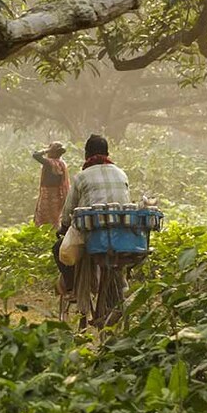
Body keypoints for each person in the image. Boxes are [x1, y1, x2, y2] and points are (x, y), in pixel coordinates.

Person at [54, 134, 131, 327]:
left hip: (93, 237)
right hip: (121, 237)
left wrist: (63, 228)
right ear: (107, 153)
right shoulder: (121, 174)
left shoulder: (82, 177)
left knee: (57, 249)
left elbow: (68, 210)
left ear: (87, 154)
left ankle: (72, 287)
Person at [32, 141, 70, 230]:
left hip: (48, 195)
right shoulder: (61, 164)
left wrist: (46, 150)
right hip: (59, 195)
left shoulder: (49, 163)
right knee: (56, 217)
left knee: (44, 216)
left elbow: (35, 155)